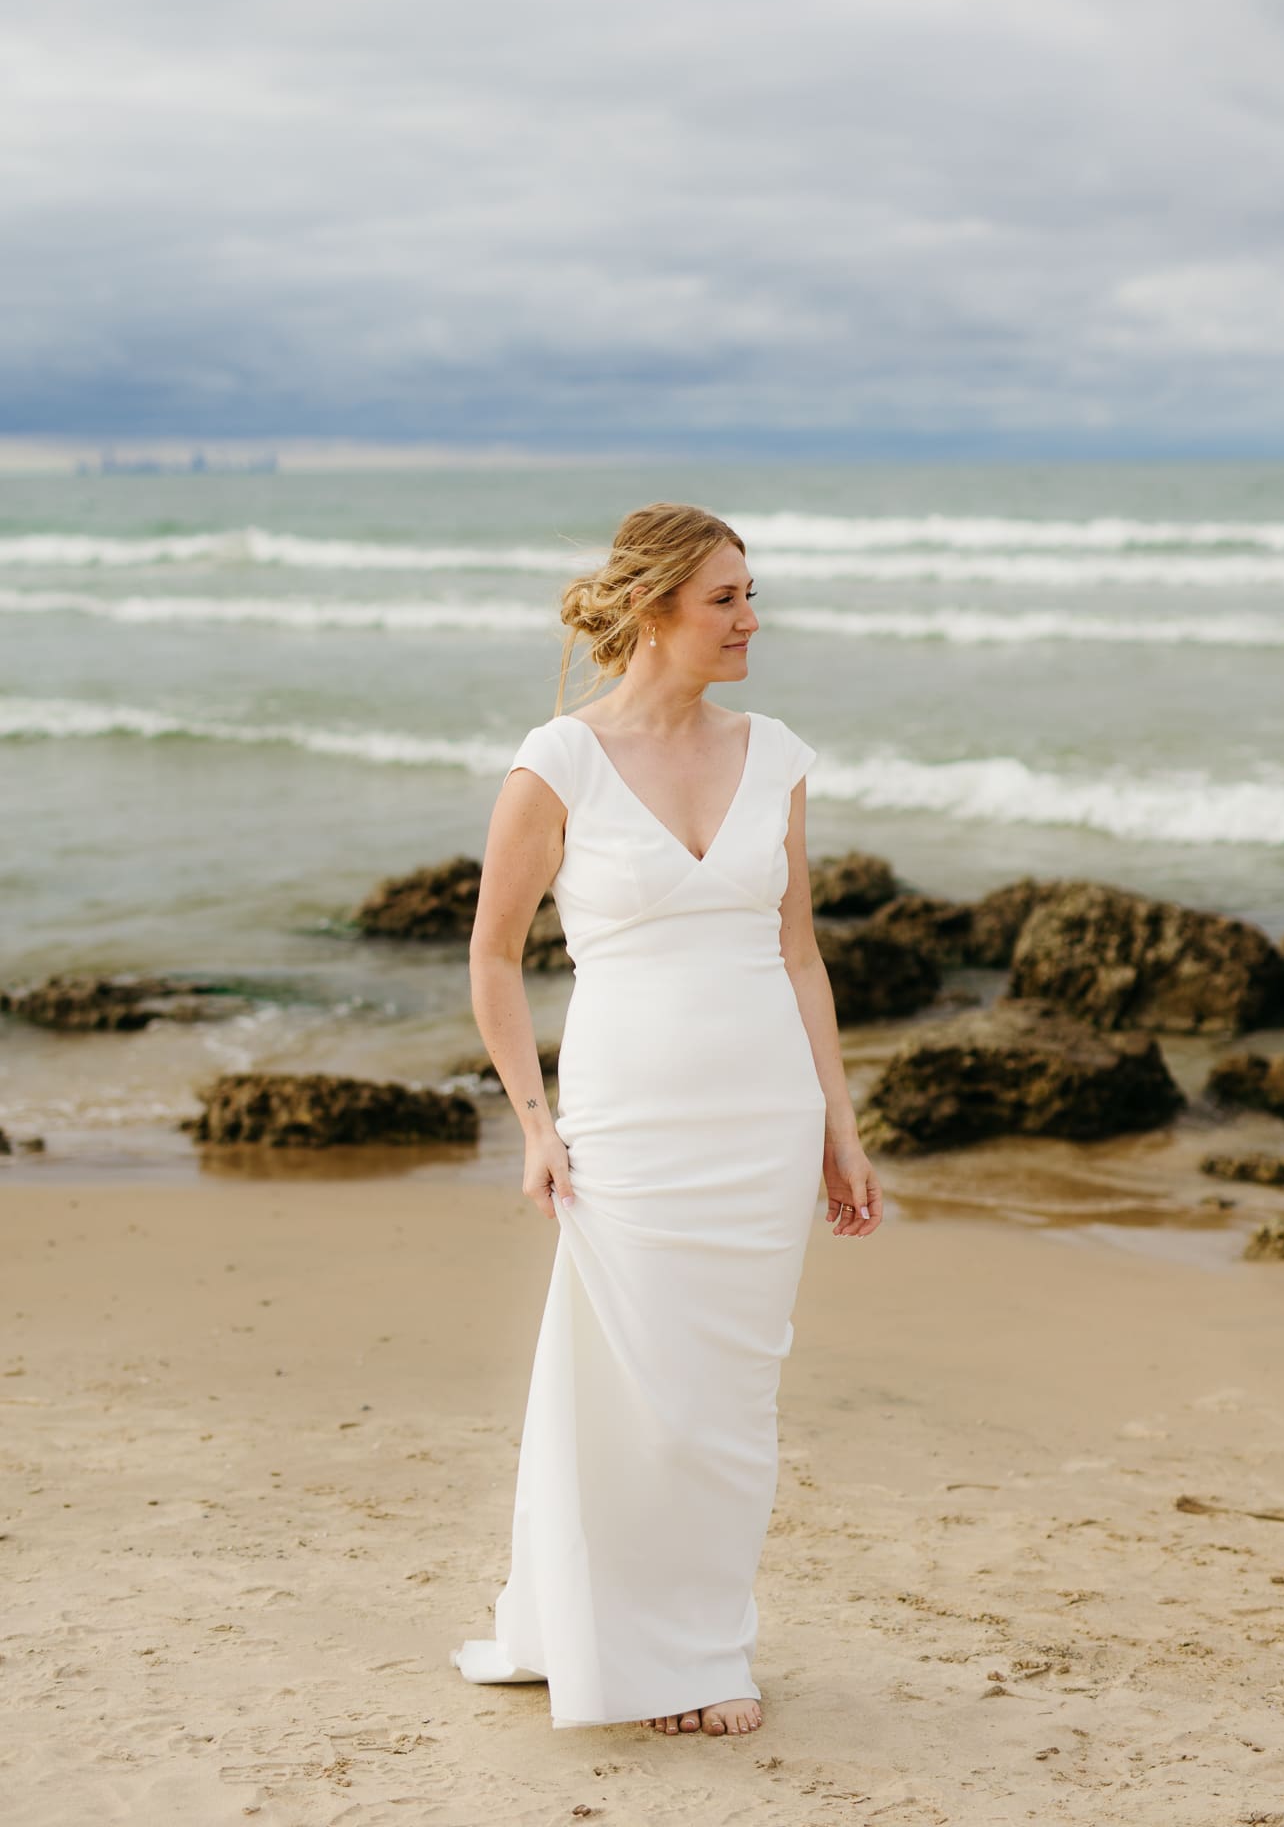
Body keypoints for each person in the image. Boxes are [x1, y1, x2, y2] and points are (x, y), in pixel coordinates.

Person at [452, 501, 882, 1735]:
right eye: (727, 598)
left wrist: (838, 1128)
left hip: (760, 1110)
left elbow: (800, 954)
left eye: (752, 593)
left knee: (732, 1395)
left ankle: (700, 1644)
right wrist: (534, 1123)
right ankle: (625, 1647)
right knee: (633, 1382)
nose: (753, 618)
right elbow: (492, 958)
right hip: (625, 1112)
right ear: (654, 610)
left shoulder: (779, 753)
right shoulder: (560, 761)